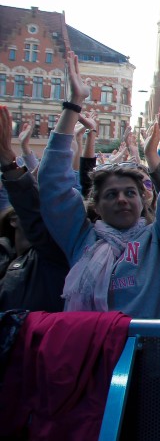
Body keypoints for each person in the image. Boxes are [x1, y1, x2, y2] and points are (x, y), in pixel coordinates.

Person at [38, 51, 160, 318]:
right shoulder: (82, 238)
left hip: (147, 355)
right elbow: (53, 182)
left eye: (130, 192)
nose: (121, 199)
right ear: (95, 205)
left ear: (144, 199)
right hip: (91, 353)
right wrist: (74, 104)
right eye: (111, 194)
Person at [0, 105, 69, 312]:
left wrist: (9, 163)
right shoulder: (4, 255)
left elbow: (32, 209)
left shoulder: (52, 254)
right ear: (14, 219)